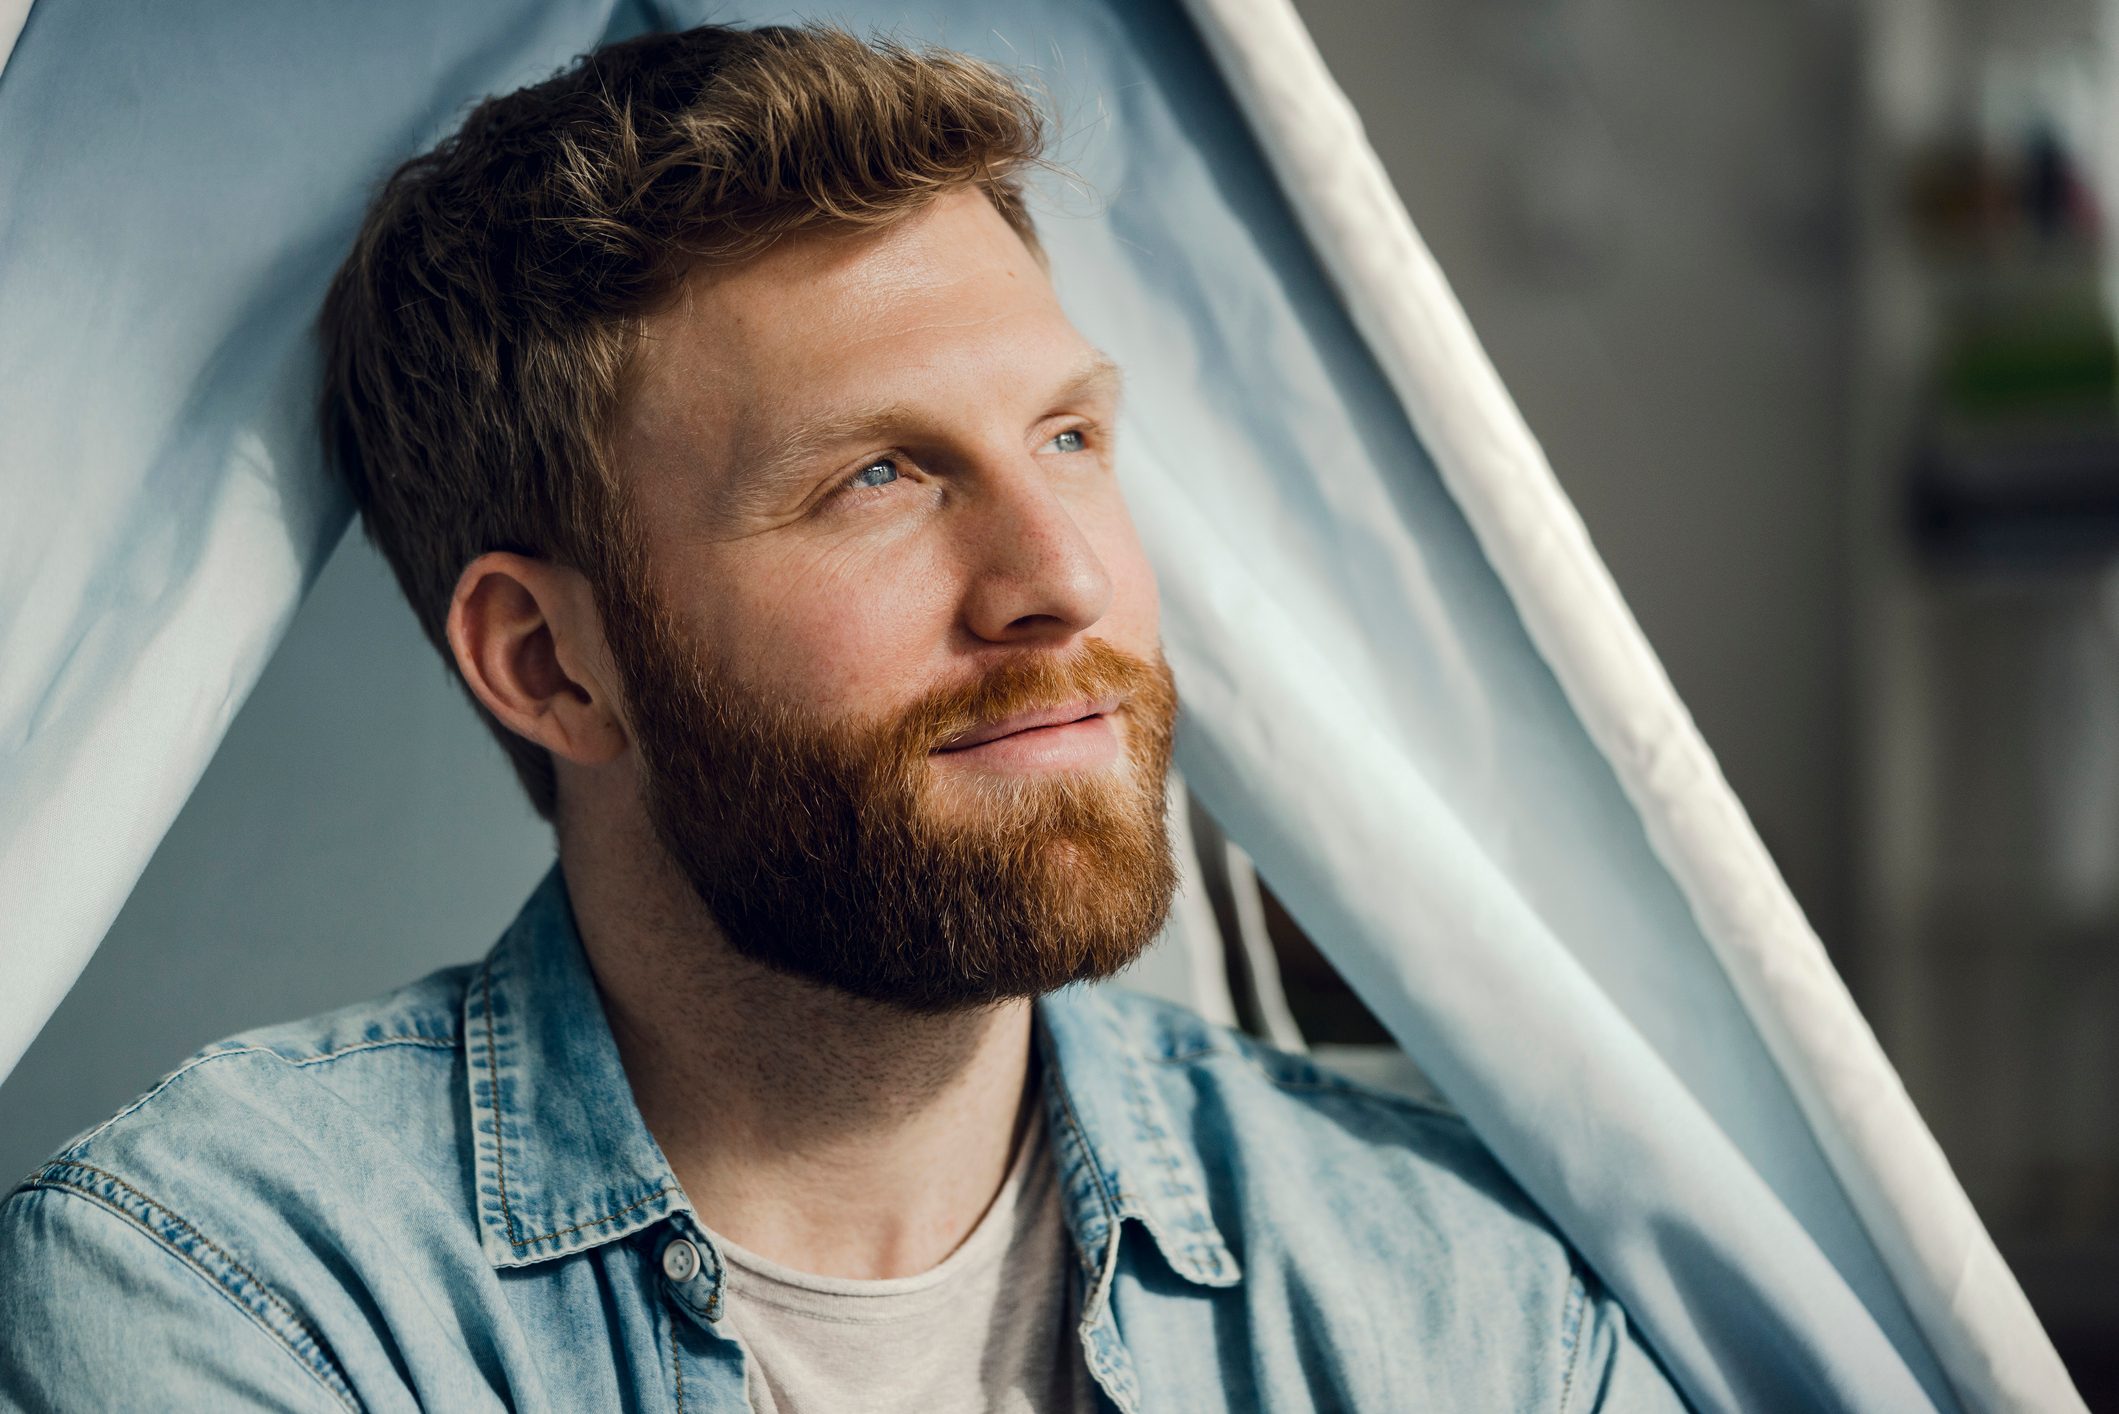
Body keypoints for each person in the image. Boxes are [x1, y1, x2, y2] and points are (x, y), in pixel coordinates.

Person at [0, 23, 1685, 1412]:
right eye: (878, 475)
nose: (1062, 580)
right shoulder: (231, 1292)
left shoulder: (1459, 1286)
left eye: (1071, 439)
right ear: (550, 662)